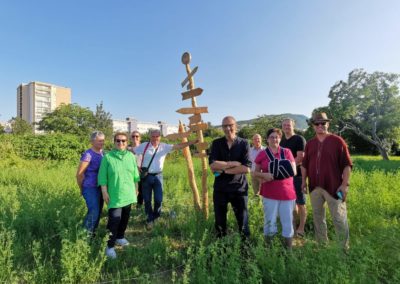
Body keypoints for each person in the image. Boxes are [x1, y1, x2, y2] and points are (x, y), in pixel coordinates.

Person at [301, 112, 352, 250]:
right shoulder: (310, 143)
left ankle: (343, 250)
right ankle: (322, 246)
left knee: (339, 219)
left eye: (323, 123)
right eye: (317, 124)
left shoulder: (337, 141)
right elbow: (304, 165)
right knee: (318, 218)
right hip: (314, 187)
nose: (320, 126)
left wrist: (344, 185)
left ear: (328, 124)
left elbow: (347, 165)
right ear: (313, 126)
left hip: (334, 187)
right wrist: (303, 183)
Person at [133, 129, 198, 228]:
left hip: (158, 176)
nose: (155, 139)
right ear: (150, 137)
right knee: (147, 199)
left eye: (157, 136)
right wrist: (136, 166)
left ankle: (156, 216)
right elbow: (131, 151)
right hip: (147, 177)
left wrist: (192, 142)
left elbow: (179, 146)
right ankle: (149, 219)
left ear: (160, 137)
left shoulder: (164, 146)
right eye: (153, 136)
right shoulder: (144, 145)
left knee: (159, 199)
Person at [98, 132, 140, 259]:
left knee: (125, 217)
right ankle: (109, 246)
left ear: (127, 142)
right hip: (115, 195)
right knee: (114, 220)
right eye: (118, 141)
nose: (120, 143)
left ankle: (120, 237)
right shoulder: (108, 157)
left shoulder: (131, 156)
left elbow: (135, 175)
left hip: (128, 193)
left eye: (123, 141)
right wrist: (104, 192)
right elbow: (102, 177)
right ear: (114, 142)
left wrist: (136, 189)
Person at [254, 128, 296, 250]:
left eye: (277, 137)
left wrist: (279, 172)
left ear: (280, 138)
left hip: (287, 192)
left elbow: (294, 171)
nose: (274, 139)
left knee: (287, 221)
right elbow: (254, 173)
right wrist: (264, 175)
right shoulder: (262, 154)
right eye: (272, 137)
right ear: (267, 139)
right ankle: (269, 249)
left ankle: (288, 250)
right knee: (270, 221)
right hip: (269, 193)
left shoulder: (287, 152)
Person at [209, 116, 251, 238]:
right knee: (220, 222)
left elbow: (246, 168)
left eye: (230, 125)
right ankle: (221, 250)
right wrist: (231, 164)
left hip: (239, 189)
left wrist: (223, 170)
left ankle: (246, 251)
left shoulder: (244, 143)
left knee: (243, 222)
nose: (228, 128)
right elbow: (212, 165)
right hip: (220, 189)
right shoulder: (216, 143)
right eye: (224, 126)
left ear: (235, 126)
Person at [280, 118, 307, 237]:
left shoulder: (299, 139)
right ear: (282, 127)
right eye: (284, 125)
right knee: (291, 203)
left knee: (301, 203)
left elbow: (300, 157)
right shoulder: (281, 141)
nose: (286, 127)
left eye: (289, 125)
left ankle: (301, 228)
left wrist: (286, 169)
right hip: (285, 177)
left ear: (293, 126)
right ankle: (293, 227)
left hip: (298, 176)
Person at [76, 131, 105, 236]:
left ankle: (92, 234)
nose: (102, 143)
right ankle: (84, 236)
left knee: (98, 212)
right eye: (99, 141)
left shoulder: (103, 153)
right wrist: (82, 188)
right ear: (92, 141)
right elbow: (79, 174)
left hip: (100, 187)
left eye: (103, 141)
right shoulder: (88, 155)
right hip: (90, 187)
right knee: (94, 212)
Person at [129, 130, 144, 209]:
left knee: (141, 190)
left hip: (141, 172)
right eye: (133, 136)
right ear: (131, 138)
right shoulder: (127, 149)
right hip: (130, 172)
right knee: (130, 188)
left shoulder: (144, 148)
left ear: (140, 138)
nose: (135, 138)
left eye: (137, 136)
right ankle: (128, 204)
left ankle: (139, 205)